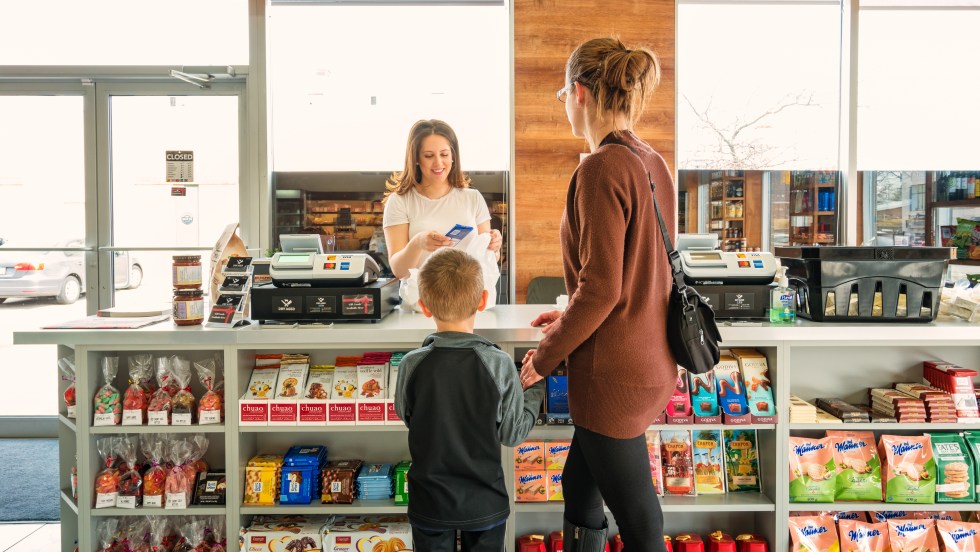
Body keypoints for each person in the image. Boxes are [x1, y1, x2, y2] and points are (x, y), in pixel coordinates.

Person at [518, 37, 676, 552]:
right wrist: (568, 314)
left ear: (580, 92)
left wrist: (546, 357)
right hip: (651, 359)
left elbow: (604, 287)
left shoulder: (600, 167)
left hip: (614, 373)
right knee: (578, 485)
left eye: (562, 93)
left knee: (638, 517)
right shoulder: (652, 162)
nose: (563, 103)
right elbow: (637, 274)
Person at [394, 248, 544, 552]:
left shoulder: (411, 363)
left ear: (424, 306)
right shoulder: (499, 363)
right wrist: (536, 389)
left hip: (429, 501)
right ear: (483, 300)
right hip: (484, 501)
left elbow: (405, 414)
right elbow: (512, 433)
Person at [383, 119, 502, 280]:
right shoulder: (399, 201)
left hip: (468, 300)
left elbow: (489, 259)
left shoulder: (473, 198)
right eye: (429, 156)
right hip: (419, 301)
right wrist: (417, 243)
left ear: (453, 156)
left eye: (444, 154)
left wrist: (494, 247)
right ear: (416, 159)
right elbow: (399, 271)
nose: (438, 163)